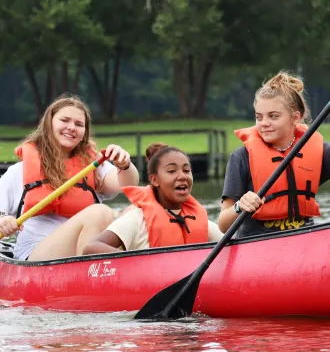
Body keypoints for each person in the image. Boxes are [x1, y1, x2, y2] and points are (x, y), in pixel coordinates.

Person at [0, 94, 139, 261]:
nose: (72, 127)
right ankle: (91, 276)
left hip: (85, 252)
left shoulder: (93, 165)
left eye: (79, 124)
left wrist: (123, 164)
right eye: (64, 120)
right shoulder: (19, 171)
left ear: (84, 132)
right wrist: (3, 220)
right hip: (36, 255)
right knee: (99, 212)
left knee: (138, 211)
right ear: (48, 124)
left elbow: (129, 185)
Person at [218, 70, 330, 238]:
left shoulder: (321, 152)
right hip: (257, 247)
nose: (264, 124)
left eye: (273, 116)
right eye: (259, 117)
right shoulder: (241, 157)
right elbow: (223, 225)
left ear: (295, 118)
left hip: (305, 244)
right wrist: (239, 206)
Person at [83, 143, 223, 254]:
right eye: (172, 171)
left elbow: (231, 243)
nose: (182, 176)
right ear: (154, 180)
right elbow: (91, 247)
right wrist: (135, 261)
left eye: (187, 170)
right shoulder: (137, 219)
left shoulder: (198, 219)